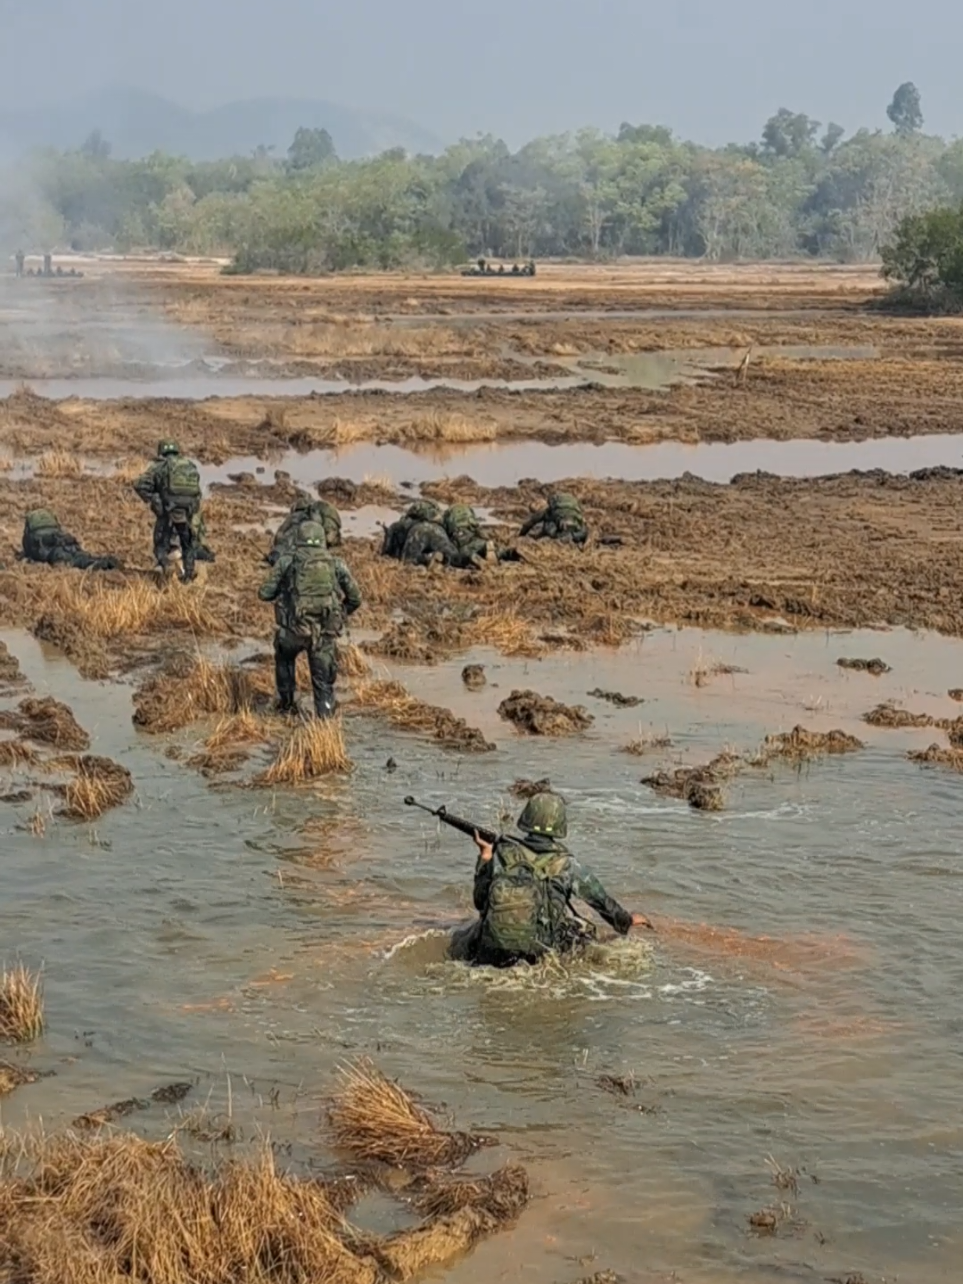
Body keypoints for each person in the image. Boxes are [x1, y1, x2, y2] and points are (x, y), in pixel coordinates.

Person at [449, 791, 651, 968]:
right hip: (538, 955)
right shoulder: (568, 865)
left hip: (491, 953)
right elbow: (602, 903)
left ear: (526, 818)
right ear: (560, 825)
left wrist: (485, 856)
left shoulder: (502, 853)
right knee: (581, 934)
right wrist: (627, 921)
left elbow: (480, 901)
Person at [257, 520, 361, 719]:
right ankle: (325, 721)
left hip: (293, 630)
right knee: (323, 683)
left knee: (284, 658)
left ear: (298, 539)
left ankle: (286, 706)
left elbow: (264, 593)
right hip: (323, 633)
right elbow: (356, 598)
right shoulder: (335, 563)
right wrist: (341, 613)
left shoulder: (287, 560)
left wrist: (284, 585)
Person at [133, 440, 205, 582]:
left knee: (161, 543)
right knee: (187, 543)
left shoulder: (160, 466)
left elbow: (139, 484)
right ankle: (188, 575)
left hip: (168, 511)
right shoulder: (189, 465)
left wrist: (154, 499)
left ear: (161, 452)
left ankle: (166, 566)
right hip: (188, 511)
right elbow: (197, 491)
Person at [20, 509, 120, 571]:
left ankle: (93, 565)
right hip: (60, 541)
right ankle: (95, 563)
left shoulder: (32, 533)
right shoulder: (52, 525)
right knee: (75, 554)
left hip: (48, 547)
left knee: (64, 557)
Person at [268, 492, 341, 565]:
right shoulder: (317, 511)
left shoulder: (298, 517)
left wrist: (276, 552)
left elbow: (286, 537)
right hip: (332, 534)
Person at [518, 491, 588, 546]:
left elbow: (528, 524)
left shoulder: (546, 512)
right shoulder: (570, 508)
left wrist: (520, 536)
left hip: (562, 527)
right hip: (575, 521)